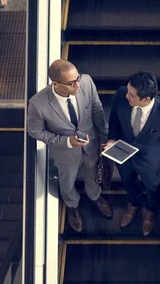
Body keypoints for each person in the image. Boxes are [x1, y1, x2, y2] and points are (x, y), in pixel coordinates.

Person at [27, 59, 112, 233]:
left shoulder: (86, 82)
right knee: (67, 182)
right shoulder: (38, 103)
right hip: (65, 154)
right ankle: (72, 206)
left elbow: (96, 108)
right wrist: (66, 142)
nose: (77, 86)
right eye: (71, 83)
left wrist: (104, 137)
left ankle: (95, 196)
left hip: (91, 146)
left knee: (92, 172)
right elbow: (35, 132)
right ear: (56, 84)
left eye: (77, 79)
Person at [106, 71, 160, 236]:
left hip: (150, 159)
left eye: (132, 95)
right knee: (127, 181)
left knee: (153, 187)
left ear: (146, 99)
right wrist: (112, 139)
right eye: (127, 91)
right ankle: (133, 203)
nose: (127, 96)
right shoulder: (121, 95)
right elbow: (114, 118)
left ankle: (149, 211)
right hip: (123, 151)